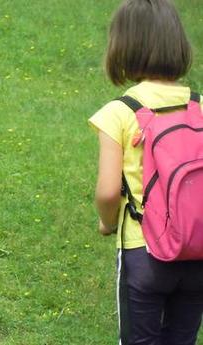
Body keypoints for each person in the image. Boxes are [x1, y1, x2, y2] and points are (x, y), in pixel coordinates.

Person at [88, 0, 203, 344]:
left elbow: (109, 192)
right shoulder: (200, 106)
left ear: (123, 47)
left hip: (144, 252)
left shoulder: (120, 112)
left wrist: (108, 223)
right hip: (198, 251)